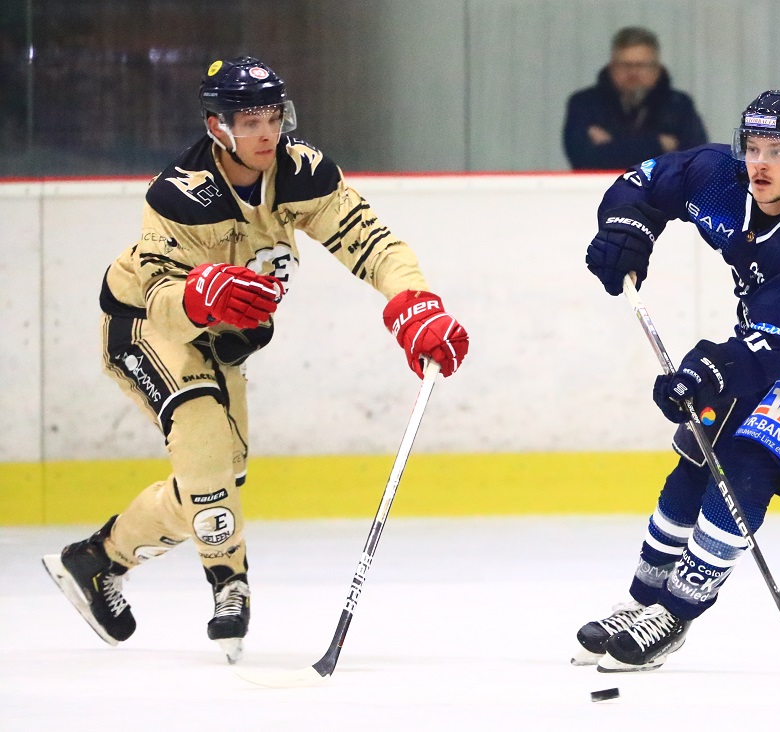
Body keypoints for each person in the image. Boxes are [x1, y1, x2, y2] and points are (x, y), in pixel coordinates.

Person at [40, 56, 469, 663]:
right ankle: (228, 583)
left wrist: (414, 302)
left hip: (218, 337)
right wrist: (198, 295)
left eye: (273, 116)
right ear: (216, 125)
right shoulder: (178, 193)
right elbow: (162, 299)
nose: (267, 132)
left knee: (217, 479)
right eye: (249, 120)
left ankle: (95, 562)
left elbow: (371, 241)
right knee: (207, 446)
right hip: (145, 324)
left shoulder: (302, 172)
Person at [576, 90, 780, 671]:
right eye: (752, 147)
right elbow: (642, 186)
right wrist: (629, 228)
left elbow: (776, 345)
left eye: (778, 150)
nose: (760, 164)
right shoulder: (720, 178)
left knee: (746, 464)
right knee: (698, 460)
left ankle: (675, 612)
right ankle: (641, 600)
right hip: (758, 346)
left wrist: (704, 373)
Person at [563, 26, 708, 171]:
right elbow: (584, 160)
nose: (633, 73)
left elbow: (693, 162)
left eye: (641, 66)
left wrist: (612, 145)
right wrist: (658, 143)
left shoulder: (678, 105)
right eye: (625, 65)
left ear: (657, 69)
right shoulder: (585, 104)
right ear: (612, 67)